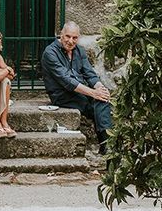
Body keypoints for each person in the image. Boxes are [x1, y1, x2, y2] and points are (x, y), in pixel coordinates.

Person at [41, 21, 112, 155]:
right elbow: (67, 81)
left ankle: (106, 146)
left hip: (81, 91)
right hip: (62, 95)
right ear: (60, 35)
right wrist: (93, 93)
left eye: (74, 38)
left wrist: (100, 88)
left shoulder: (79, 50)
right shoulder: (50, 53)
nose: (70, 41)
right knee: (92, 104)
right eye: (67, 36)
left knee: (102, 100)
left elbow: (89, 73)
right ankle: (106, 145)